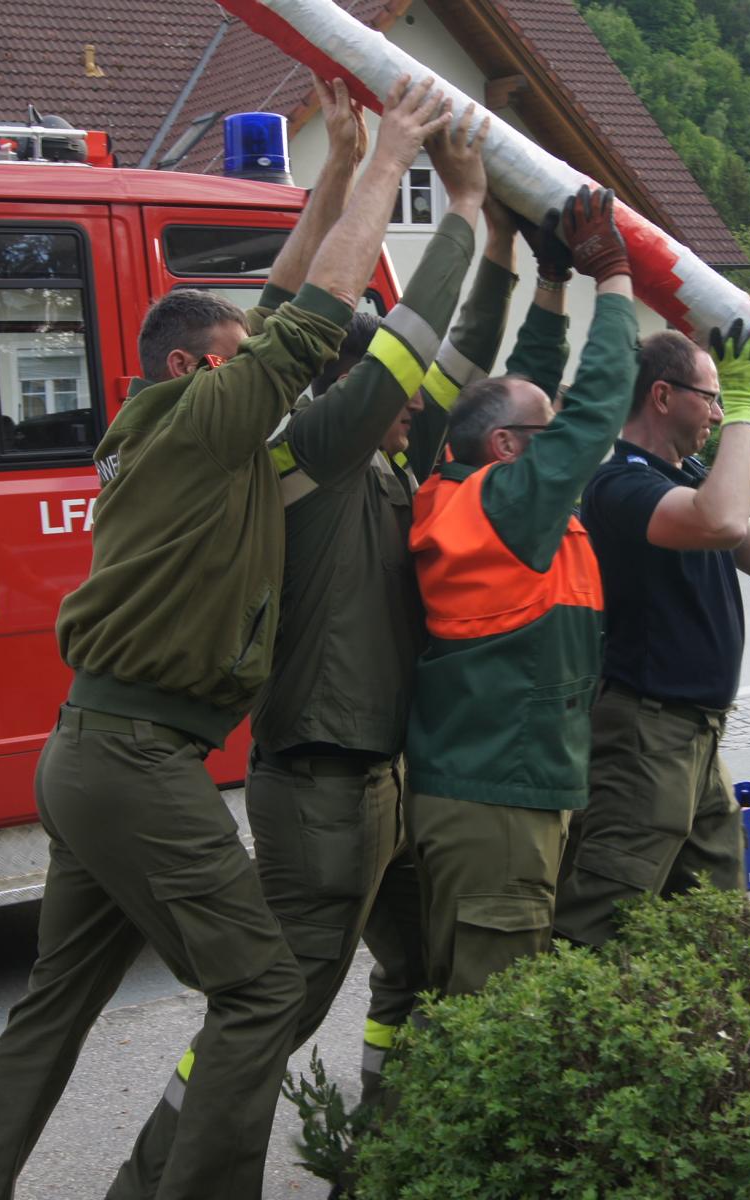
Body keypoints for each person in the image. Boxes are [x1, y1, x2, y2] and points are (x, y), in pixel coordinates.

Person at [0, 75, 454, 1200]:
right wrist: (393, 160)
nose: (262, 376)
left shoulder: (158, 428)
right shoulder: (205, 422)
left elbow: (277, 304)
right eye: (240, 361)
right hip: (136, 759)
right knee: (262, 991)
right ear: (196, 370)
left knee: (55, 1005)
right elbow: (313, 319)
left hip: (87, 752)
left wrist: (335, 172)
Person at [241, 101, 493, 1085]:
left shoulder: (381, 460)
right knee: (281, 1005)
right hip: (322, 783)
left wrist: (508, 249)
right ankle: (172, 1157)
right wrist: (458, 205)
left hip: (380, 778)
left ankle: (385, 1137)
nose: (413, 402)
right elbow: (401, 337)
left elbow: (456, 355)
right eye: (393, 387)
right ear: (349, 389)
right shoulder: (313, 450)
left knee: (420, 965)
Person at [551, 320, 750, 948]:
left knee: (716, 918)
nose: (718, 414)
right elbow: (720, 522)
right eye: (712, 397)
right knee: (599, 921)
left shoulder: (686, 475)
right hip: (646, 736)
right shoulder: (619, 485)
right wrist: (746, 403)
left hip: (697, 737)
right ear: (663, 397)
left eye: (725, 400)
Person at [402, 185, 638, 997]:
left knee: (467, 998)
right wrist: (613, 277)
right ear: (507, 448)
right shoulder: (507, 507)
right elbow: (596, 409)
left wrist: (553, 280)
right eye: (547, 429)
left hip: (490, 794)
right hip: (498, 802)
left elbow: (526, 388)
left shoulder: (466, 486)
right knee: (493, 1012)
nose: (561, 430)